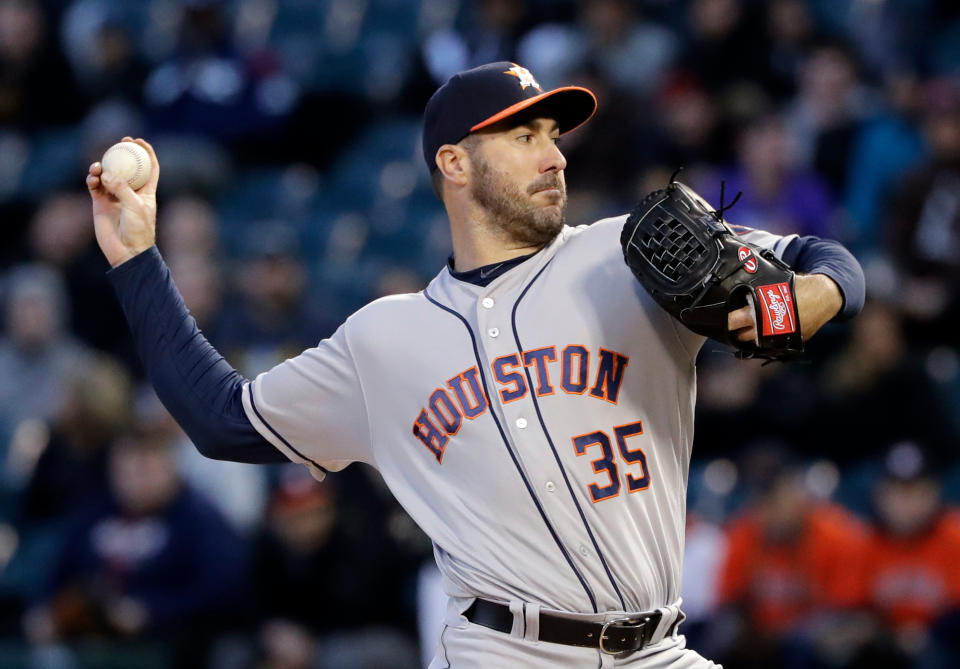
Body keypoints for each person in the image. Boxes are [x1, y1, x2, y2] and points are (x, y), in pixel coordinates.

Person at [85, 61, 865, 667]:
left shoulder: (625, 251)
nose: (553, 155)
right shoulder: (383, 341)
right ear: (454, 164)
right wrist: (136, 255)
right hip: (501, 649)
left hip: (656, 644)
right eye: (523, 137)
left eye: (554, 136)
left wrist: (812, 298)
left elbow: (822, 261)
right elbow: (222, 418)